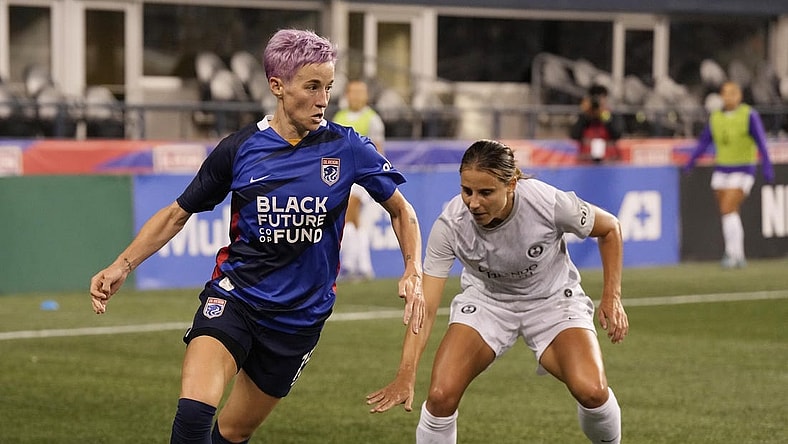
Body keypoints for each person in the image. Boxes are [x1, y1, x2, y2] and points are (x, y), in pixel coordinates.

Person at [89, 29, 425, 444]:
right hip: (237, 298)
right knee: (193, 415)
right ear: (277, 86)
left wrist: (413, 268)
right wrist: (122, 265)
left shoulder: (347, 147)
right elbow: (178, 213)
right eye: (312, 87)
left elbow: (402, 211)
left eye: (328, 87)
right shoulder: (239, 148)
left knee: (232, 432)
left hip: (300, 318)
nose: (323, 100)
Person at [367, 139, 628, 444]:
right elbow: (426, 307)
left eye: (486, 192)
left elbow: (609, 228)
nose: (473, 203)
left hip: (552, 300)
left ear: (512, 184)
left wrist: (612, 296)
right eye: (467, 191)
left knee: (592, 391)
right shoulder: (450, 225)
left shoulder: (547, 202)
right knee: (440, 396)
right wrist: (407, 371)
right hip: (487, 302)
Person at [684, 81, 774, 269]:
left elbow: (761, 142)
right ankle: (738, 254)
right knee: (729, 213)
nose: (729, 97)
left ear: (739, 96)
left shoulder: (749, 115)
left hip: (743, 170)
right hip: (722, 170)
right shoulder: (716, 117)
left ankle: (732, 253)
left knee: (728, 207)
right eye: (725, 93)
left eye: (733, 93)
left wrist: (767, 165)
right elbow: (704, 142)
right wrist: (691, 161)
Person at [332, 79, 386, 281]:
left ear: (366, 96)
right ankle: (362, 265)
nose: (356, 96)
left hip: (362, 176)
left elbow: (378, 150)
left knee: (349, 211)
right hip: (343, 176)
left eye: (360, 92)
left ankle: (348, 264)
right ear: (347, 95)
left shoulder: (373, 119)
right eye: (353, 92)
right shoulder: (339, 117)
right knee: (353, 219)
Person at [570, 84, 623, 163]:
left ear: (605, 99)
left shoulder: (612, 115)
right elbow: (574, 135)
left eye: (600, 98)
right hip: (586, 160)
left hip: (609, 160)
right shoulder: (584, 116)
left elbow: (617, 134)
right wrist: (586, 115)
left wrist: (604, 116)